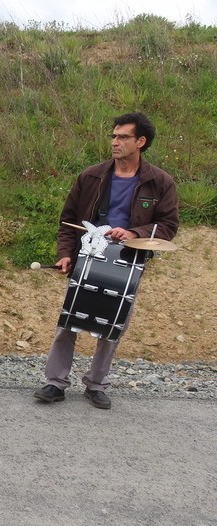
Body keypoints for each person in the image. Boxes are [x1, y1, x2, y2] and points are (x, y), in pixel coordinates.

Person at [35, 112, 179, 410]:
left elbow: (167, 226)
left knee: (113, 323)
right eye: (113, 136)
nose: (115, 142)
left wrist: (133, 232)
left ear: (141, 142)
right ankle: (55, 382)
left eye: (123, 137)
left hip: (129, 257)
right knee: (69, 319)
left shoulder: (160, 182)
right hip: (88, 252)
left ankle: (96, 384)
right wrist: (64, 254)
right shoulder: (91, 175)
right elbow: (68, 221)